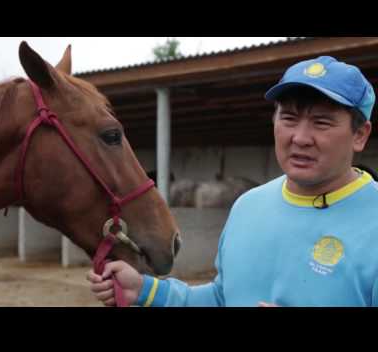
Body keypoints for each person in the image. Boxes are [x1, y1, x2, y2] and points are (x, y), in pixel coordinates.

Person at [87, 56, 378, 307]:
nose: (300, 138)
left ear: (359, 135)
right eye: (288, 118)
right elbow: (222, 297)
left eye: (322, 122)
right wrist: (144, 289)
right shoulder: (248, 206)